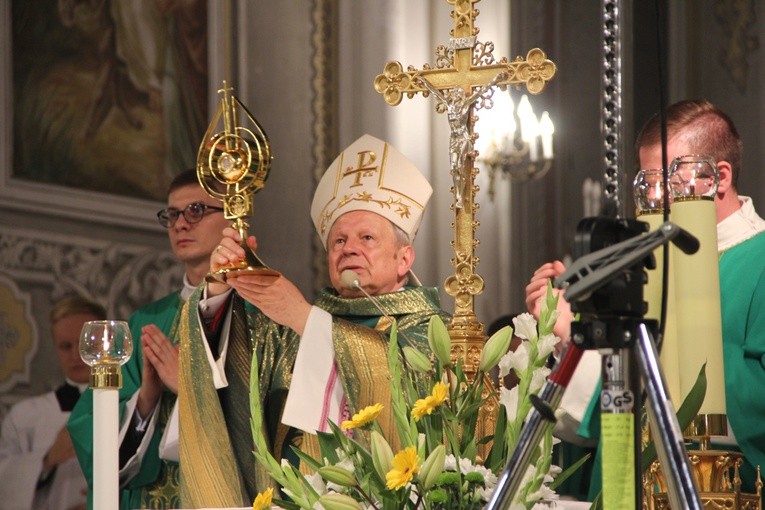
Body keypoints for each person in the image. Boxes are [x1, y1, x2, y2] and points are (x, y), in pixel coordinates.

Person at [177, 133, 450, 507]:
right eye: (338, 241)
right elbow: (235, 386)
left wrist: (305, 317)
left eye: (367, 237)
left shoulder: (434, 331)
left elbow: (412, 401)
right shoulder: (288, 330)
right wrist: (221, 290)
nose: (349, 248)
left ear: (404, 259)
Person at [526, 99, 765, 497]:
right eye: (648, 182)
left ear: (719, 178)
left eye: (669, 182)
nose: (655, 199)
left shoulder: (758, 260)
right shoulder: (642, 263)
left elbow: (748, 405)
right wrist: (568, 336)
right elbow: (586, 429)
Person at [67, 169, 229, 510]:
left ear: (234, 215)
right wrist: (146, 400)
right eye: (172, 214)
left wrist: (190, 385)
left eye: (196, 210)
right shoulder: (147, 322)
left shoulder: (259, 320)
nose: (181, 224)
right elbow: (93, 435)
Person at [0, 295, 106, 510]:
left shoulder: (134, 408)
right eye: (65, 346)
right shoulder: (26, 416)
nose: (76, 355)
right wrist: (46, 459)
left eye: (85, 344)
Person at [419, 73, 506, 207]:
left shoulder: (465, 104)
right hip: (453, 138)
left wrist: (495, 79)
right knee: (454, 168)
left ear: (460, 96)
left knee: (459, 166)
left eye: (456, 94)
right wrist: (424, 82)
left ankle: (461, 196)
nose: (454, 96)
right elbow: (435, 92)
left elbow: (482, 90)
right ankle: (458, 194)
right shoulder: (449, 105)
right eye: (453, 95)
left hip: (463, 138)